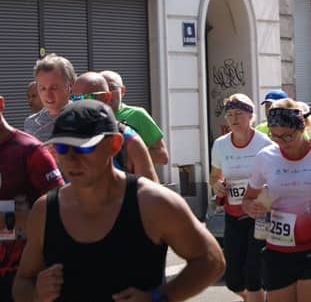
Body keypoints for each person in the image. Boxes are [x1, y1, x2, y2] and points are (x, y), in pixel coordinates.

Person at [13, 100, 225, 302]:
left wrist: (161, 297)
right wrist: (36, 294)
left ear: (114, 144)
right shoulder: (46, 209)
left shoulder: (152, 202)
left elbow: (211, 260)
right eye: (62, 148)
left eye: (83, 147)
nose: (71, 158)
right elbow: (22, 283)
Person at [242, 99, 311, 302]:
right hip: (278, 251)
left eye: (287, 135)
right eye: (275, 136)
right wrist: (252, 207)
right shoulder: (265, 157)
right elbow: (248, 199)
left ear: (301, 128)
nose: (282, 142)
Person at [210, 94, 274, 302]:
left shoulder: (263, 143)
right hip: (234, 215)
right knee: (234, 279)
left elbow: (274, 177)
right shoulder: (221, 144)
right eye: (229, 114)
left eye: (239, 113)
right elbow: (214, 176)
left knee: (254, 273)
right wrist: (217, 185)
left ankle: (256, 297)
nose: (234, 119)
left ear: (250, 116)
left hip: (259, 214)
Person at [0, 95, 63, 301]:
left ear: (0, 104)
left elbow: (61, 211)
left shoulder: (30, 151)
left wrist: (9, 219)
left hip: (20, 275)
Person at [71, 72, 158, 182]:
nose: (82, 103)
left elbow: (151, 189)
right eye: (76, 98)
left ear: (107, 97)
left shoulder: (130, 140)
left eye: (88, 97)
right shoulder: (65, 138)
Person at [101, 70, 169, 165]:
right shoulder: (90, 116)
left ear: (122, 90)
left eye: (112, 87)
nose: (107, 93)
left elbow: (162, 156)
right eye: (102, 89)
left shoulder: (137, 115)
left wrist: (126, 157)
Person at [25, 54, 75, 143]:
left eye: (54, 88)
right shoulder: (31, 123)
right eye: (43, 88)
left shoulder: (83, 119)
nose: (48, 95)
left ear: (70, 85)